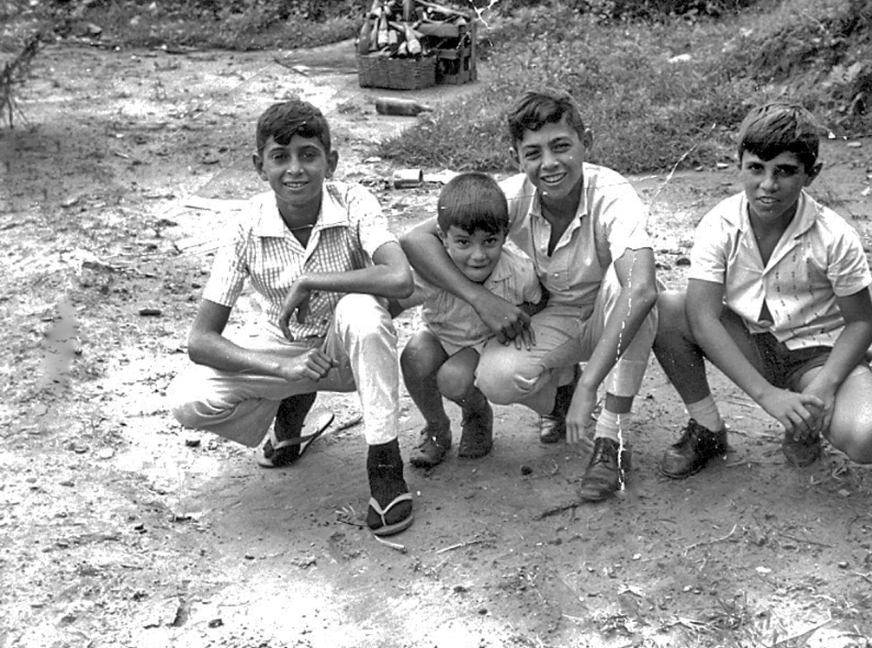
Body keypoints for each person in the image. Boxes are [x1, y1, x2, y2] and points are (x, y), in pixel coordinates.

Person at [168, 100, 416, 537]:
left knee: (360, 309)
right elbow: (200, 340)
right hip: (287, 350)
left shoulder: (354, 200)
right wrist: (281, 368)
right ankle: (290, 407)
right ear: (259, 166)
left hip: (350, 351)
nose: (295, 169)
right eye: (280, 157)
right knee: (188, 400)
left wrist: (316, 281)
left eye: (308, 154)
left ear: (331, 162)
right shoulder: (246, 224)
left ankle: (385, 466)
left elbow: (399, 278)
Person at [400, 89, 660, 502]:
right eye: (533, 153)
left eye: (561, 147)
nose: (550, 164)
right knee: (496, 377)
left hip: (612, 317)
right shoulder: (515, 195)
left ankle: (611, 441)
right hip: (556, 314)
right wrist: (479, 299)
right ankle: (562, 396)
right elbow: (416, 239)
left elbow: (641, 289)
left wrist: (592, 385)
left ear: (585, 142)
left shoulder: (611, 193)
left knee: (635, 291)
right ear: (516, 157)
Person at [653, 102, 872, 478]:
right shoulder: (720, 224)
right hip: (751, 342)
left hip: (816, 356)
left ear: (811, 174)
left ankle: (808, 421)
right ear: (739, 166)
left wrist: (828, 386)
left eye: (784, 171)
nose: (768, 185)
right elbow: (701, 317)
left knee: (870, 437)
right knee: (668, 308)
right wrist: (768, 396)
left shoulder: (834, 235)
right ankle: (707, 429)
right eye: (756, 169)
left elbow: (861, 322)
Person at [391, 172, 544, 467]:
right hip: (440, 333)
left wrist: (515, 324)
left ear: (505, 233)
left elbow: (539, 301)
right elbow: (394, 302)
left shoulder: (519, 272)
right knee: (414, 357)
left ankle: (476, 414)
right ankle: (436, 426)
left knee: (453, 379)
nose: (478, 255)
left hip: (480, 342)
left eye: (490, 241)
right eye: (463, 242)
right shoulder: (433, 270)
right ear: (442, 236)